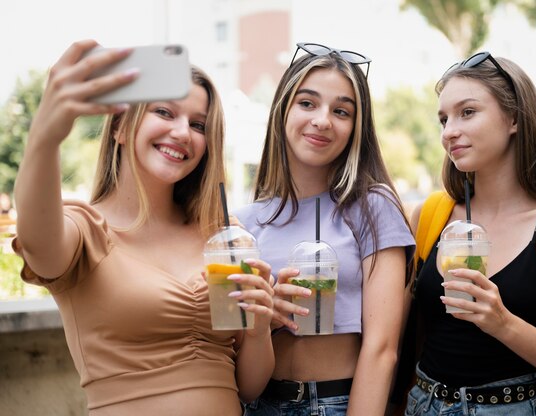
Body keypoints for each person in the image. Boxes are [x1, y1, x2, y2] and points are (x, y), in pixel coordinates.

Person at [12, 39, 274, 416]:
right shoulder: (85, 231)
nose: (183, 132)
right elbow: (37, 238)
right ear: (120, 126)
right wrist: (47, 134)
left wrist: (259, 327)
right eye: (165, 112)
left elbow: (248, 387)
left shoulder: (223, 235)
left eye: (198, 124)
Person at [403, 52, 536, 416]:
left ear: (514, 118)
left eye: (467, 112)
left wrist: (503, 323)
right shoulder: (430, 215)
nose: (449, 131)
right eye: (443, 118)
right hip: (421, 405)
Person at [234, 42, 416, 415]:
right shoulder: (243, 223)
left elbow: (382, 349)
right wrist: (264, 322)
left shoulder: (373, 207)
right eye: (307, 103)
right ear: (283, 109)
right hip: (258, 403)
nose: (322, 120)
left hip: (337, 403)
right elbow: (233, 350)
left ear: (356, 127)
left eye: (341, 111)